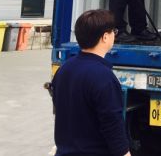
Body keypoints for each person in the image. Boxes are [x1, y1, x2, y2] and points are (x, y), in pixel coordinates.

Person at [51, 9, 131, 156]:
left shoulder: (64, 69)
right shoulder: (104, 77)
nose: (114, 35)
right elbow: (113, 126)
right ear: (105, 37)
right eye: (113, 31)